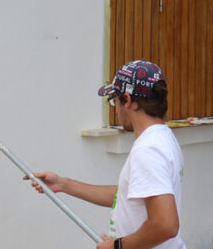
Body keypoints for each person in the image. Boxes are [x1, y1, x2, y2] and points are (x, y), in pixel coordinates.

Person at [25, 60, 185, 249]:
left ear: (128, 100)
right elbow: (128, 196)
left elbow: (166, 225)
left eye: (114, 101)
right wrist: (63, 184)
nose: (115, 109)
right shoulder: (162, 137)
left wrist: (117, 246)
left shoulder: (148, 150)